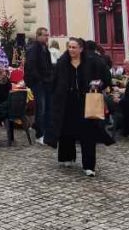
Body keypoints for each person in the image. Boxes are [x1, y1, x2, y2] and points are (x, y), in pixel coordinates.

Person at [47, 38, 112, 177]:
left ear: (81, 49)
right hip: (67, 101)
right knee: (66, 129)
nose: (71, 50)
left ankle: (89, 166)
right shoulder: (62, 62)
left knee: (88, 132)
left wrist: (98, 84)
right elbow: (55, 80)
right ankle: (66, 156)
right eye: (69, 47)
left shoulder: (92, 62)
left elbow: (106, 77)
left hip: (86, 101)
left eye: (74, 47)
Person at [24, 28, 54, 142]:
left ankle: (45, 130)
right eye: (45, 35)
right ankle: (40, 134)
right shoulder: (33, 49)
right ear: (38, 36)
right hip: (38, 83)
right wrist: (40, 79)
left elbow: (48, 65)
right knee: (41, 107)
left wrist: (51, 77)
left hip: (46, 82)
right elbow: (31, 67)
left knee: (47, 107)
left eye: (48, 35)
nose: (47, 37)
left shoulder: (45, 48)